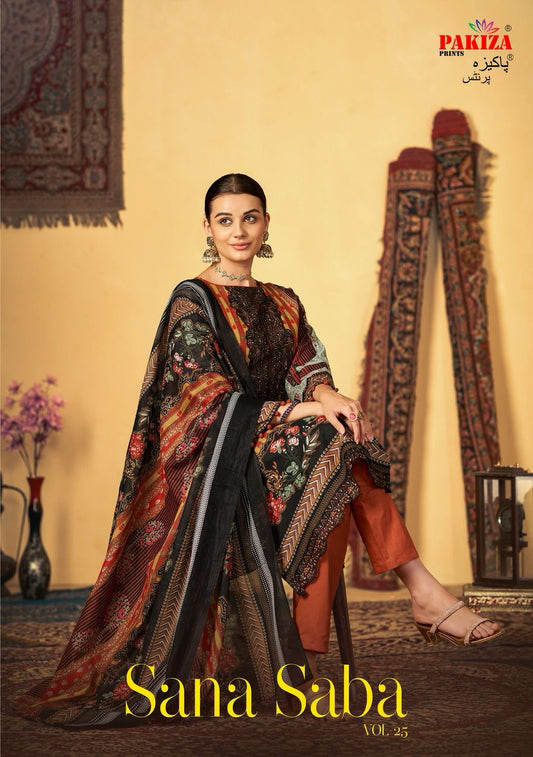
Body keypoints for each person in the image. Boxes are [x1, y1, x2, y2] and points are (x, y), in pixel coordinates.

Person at [14, 174, 502, 727]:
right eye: (225, 220)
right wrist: (302, 412)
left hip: (284, 449)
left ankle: (319, 657)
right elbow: (204, 400)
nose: (238, 231)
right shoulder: (192, 302)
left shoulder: (283, 300)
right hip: (217, 462)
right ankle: (418, 595)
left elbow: (306, 365)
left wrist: (326, 395)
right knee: (332, 455)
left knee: (341, 448)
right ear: (208, 228)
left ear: (266, 223)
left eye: (250, 217)